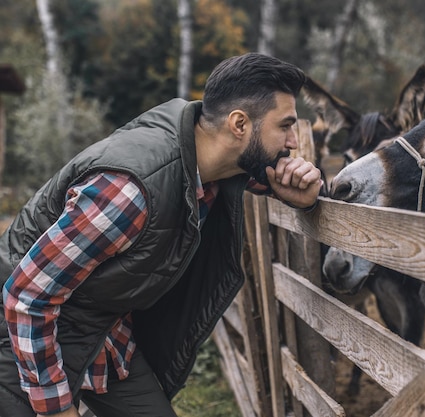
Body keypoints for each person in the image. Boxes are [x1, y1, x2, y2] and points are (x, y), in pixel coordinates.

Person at [0, 52, 322, 417]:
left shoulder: (212, 162)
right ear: (239, 124)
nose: (294, 141)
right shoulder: (130, 193)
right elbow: (26, 297)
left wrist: (305, 194)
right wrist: (57, 410)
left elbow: (263, 176)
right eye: (285, 126)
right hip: (21, 341)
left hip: (103, 330)